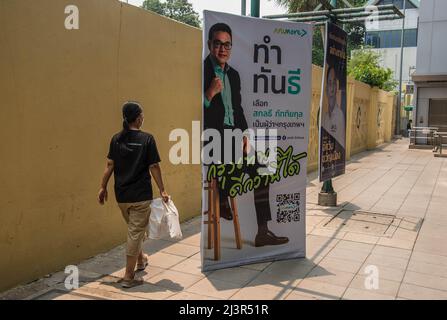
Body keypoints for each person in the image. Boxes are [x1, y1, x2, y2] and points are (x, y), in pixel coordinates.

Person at [204, 23, 288, 247]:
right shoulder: (201, 70)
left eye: (227, 44)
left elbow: (238, 109)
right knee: (233, 159)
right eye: (218, 43)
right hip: (212, 137)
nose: (223, 49)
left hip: (233, 136)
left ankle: (262, 231)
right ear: (209, 44)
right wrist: (209, 93)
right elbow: (192, 108)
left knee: (263, 168)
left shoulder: (234, 76)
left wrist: (244, 135)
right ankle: (222, 196)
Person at [98, 101, 169, 288]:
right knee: (135, 232)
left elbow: (109, 166)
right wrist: (162, 189)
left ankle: (140, 260)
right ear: (138, 118)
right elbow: (154, 166)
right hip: (140, 196)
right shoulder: (147, 139)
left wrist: (102, 187)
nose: (143, 118)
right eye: (142, 115)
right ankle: (129, 276)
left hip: (121, 196)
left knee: (134, 230)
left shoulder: (116, 139)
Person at [322, 66, 346, 149]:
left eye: (334, 82)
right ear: (326, 89)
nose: (332, 86)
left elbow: (341, 143)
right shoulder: (324, 116)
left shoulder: (340, 115)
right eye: (329, 82)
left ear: (336, 87)